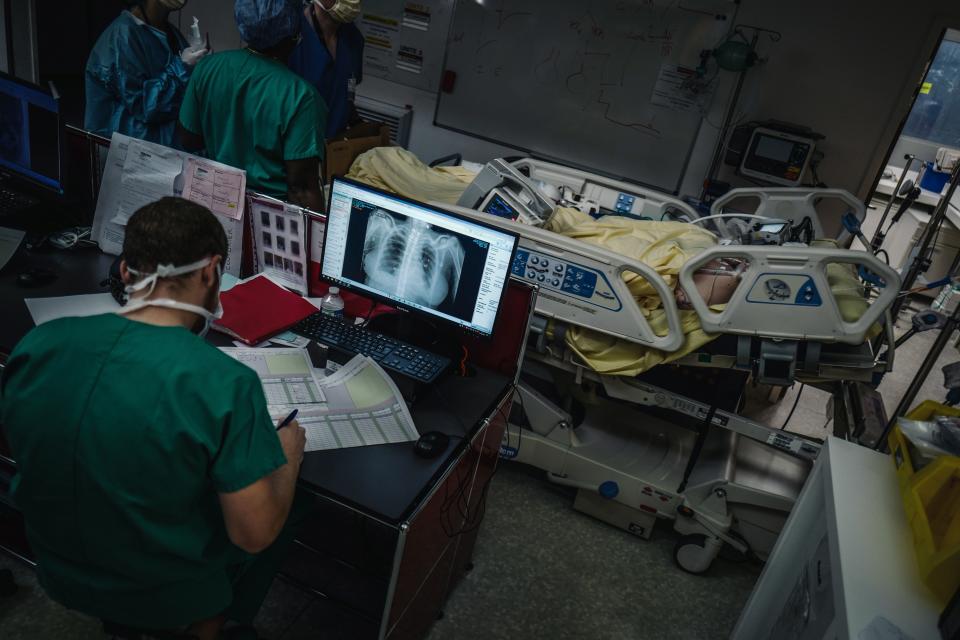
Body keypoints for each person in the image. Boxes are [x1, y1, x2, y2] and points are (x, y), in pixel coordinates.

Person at [0, 197, 306, 639]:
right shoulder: (224, 383)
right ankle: (210, 625)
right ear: (210, 271)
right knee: (290, 503)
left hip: (59, 568)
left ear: (125, 271)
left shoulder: (41, 344)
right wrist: (288, 459)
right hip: (161, 594)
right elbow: (253, 535)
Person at [178, 0, 326, 210]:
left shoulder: (208, 68)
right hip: (267, 216)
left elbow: (189, 138)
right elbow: (301, 189)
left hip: (212, 203)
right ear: (292, 32)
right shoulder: (301, 96)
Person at [85, 0, 209, 146]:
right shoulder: (123, 35)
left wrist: (204, 68)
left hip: (160, 153)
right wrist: (183, 68)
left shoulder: (170, 33)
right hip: (129, 155)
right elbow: (146, 106)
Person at [288, 0, 364, 139]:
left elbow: (343, 94)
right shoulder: (289, 33)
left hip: (332, 149)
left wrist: (359, 125)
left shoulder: (354, 40)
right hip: (292, 145)